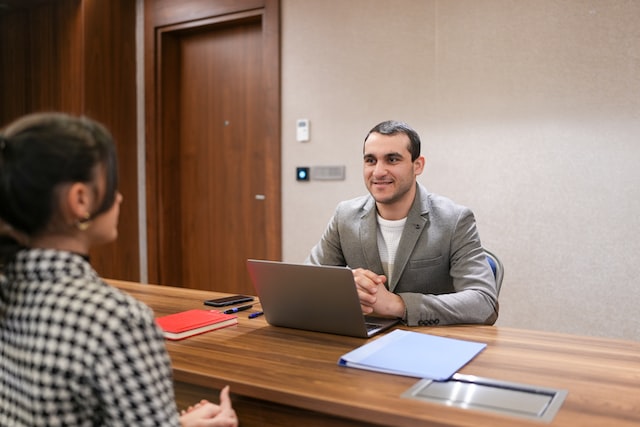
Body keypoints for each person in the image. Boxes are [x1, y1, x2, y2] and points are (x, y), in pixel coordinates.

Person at [0, 112, 237, 427]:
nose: (121, 196)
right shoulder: (116, 320)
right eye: (112, 183)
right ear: (81, 199)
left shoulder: (9, 292)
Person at [306, 120, 498, 327]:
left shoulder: (455, 219)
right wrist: (343, 286)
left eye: (392, 159)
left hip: (432, 343)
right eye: (370, 160)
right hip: (363, 339)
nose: (378, 171)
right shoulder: (344, 216)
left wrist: (397, 304)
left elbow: (484, 303)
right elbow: (306, 284)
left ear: (418, 165)